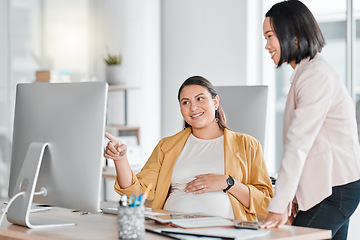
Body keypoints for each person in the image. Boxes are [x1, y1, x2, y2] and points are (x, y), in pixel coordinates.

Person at [104, 75, 273, 221]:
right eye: (186, 102)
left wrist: (229, 183)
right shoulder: (167, 146)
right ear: (181, 109)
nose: (193, 107)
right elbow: (137, 193)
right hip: (171, 228)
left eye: (200, 99)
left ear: (215, 102)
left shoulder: (247, 144)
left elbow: (266, 202)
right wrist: (120, 160)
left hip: (224, 230)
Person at [260, 1, 360, 239]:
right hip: (332, 188)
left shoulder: (315, 75)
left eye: (270, 36)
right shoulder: (306, 73)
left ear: (292, 34)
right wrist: (295, 197)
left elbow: (298, 145)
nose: (266, 45)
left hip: (334, 191)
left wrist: (278, 205)